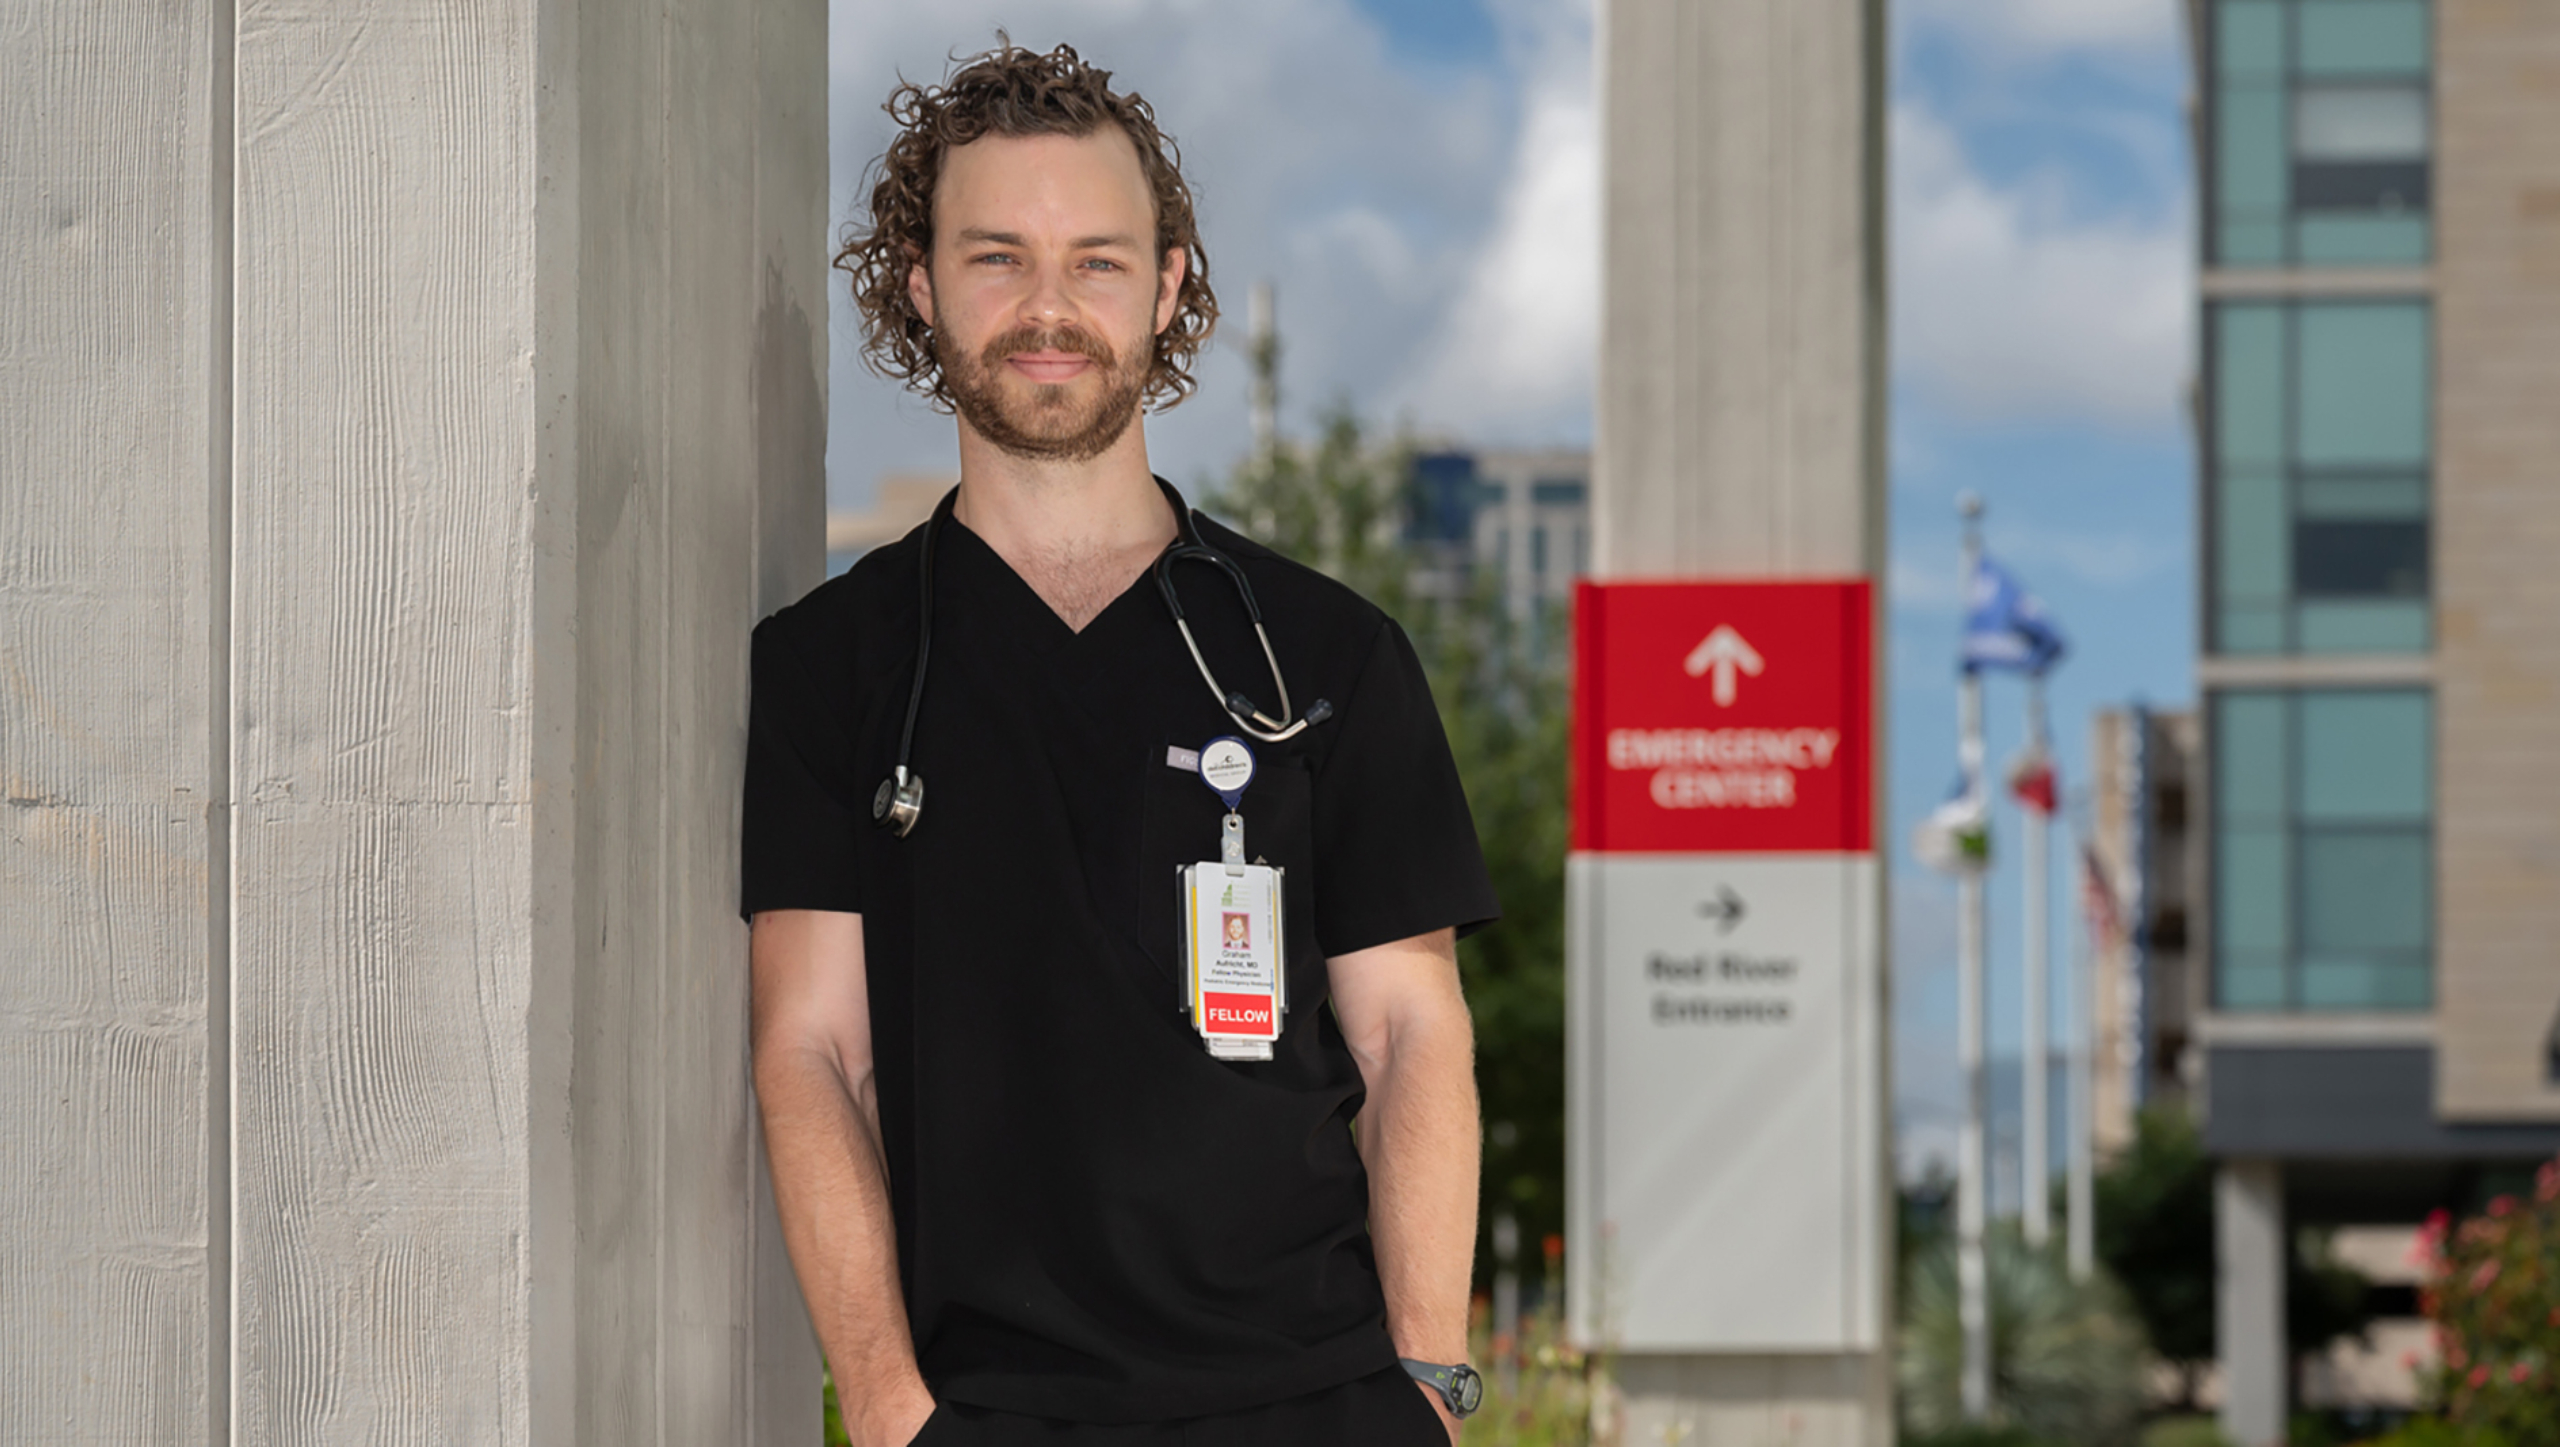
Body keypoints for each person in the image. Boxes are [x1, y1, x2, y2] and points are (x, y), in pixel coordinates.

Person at [743, 41, 1498, 1447]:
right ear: (920, 287)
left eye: (1096, 260)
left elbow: (1410, 1039)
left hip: (1319, 1406)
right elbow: (810, 1052)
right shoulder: (831, 668)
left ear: (1166, 288)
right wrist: (900, 1415)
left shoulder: (1328, 657)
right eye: (995, 258)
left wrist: (1432, 1390)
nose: (1047, 308)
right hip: (988, 1416)